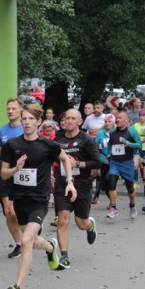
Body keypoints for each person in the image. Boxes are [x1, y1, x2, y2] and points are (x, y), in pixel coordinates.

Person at [0, 104, 76, 289]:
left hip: (40, 201)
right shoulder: (12, 145)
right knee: (32, 242)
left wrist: (69, 182)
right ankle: (50, 246)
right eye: (24, 118)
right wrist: (16, 168)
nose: (26, 122)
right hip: (20, 201)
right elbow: (4, 173)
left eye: (30, 119)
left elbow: (65, 159)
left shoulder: (47, 145)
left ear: (38, 122)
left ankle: (17, 287)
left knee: (25, 241)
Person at [53, 109, 100, 269]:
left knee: (80, 223)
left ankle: (90, 225)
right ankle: (64, 256)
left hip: (82, 185)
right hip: (62, 184)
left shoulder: (86, 140)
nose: (69, 121)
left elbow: (97, 162)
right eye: (67, 118)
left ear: (80, 122)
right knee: (63, 219)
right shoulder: (57, 138)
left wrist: (78, 164)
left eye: (73, 118)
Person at [0, 98, 24, 258]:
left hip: (24, 175)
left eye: (13, 108)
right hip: (6, 174)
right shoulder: (1, 131)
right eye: (8, 109)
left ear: (20, 110)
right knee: (8, 211)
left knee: (19, 211)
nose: (10, 111)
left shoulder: (26, 128)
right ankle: (19, 244)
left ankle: (29, 230)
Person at [106, 109, 142, 219]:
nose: (117, 119)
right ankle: (114, 208)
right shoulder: (112, 132)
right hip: (115, 162)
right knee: (111, 184)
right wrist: (109, 153)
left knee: (130, 188)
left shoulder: (132, 131)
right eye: (117, 118)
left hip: (127, 163)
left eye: (120, 118)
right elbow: (110, 145)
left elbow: (139, 145)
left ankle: (132, 205)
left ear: (126, 120)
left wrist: (128, 143)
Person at [94, 114, 115, 209]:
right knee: (104, 183)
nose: (107, 123)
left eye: (109, 121)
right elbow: (95, 146)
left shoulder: (116, 132)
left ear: (113, 123)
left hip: (114, 161)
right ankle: (111, 200)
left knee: (109, 180)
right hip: (103, 159)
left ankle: (113, 201)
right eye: (106, 121)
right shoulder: (100, 133)